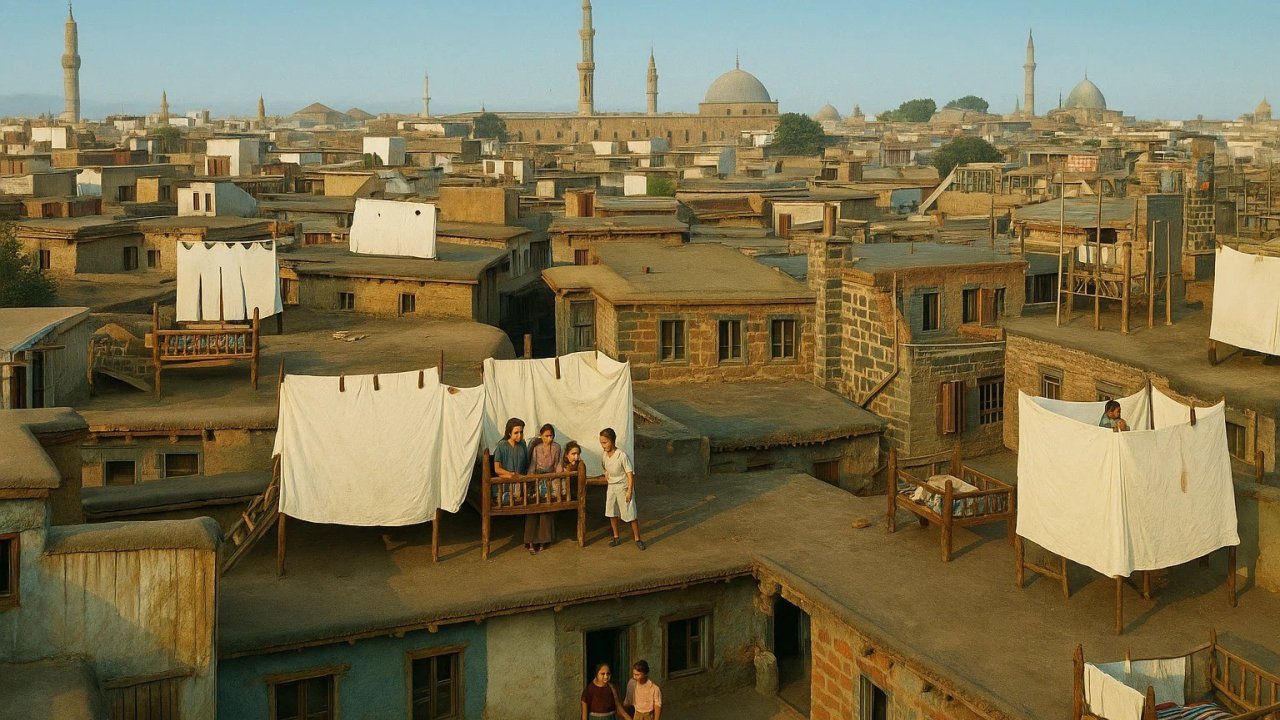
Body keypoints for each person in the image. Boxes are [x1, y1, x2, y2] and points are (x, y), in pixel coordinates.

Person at [492, 418, 534, 552]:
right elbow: (497, 469)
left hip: (520, 482)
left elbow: (526, 465)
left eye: (521, 432)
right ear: (509, 433)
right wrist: (511, 475)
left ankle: (531, 540)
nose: (519, 436)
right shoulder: (502, 445)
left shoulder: (522, 445)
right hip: (506, 483)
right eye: (516, 433)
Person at [600, 428, 645, 550]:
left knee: (630, 513)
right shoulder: (604, 455)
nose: (603, 446)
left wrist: (629, 490)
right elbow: (604, 466)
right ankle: (616, 537)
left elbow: (630, 474)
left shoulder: (622, 455)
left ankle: (637, 539)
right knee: (612, 512)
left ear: (612, 441)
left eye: (605, 443)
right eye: (601, 443)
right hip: (612, 487)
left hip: (623, 486)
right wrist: (606, 473)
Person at [524, 423, 561, 553]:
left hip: (550, 479)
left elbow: (557, 465)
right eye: (546, 436)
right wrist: (529, 482)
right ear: (541, 436)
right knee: (534, 508)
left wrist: (558, 480)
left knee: (547, 509)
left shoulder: (557, 447)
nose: (549, 438)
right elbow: (533, 465)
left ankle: (544, 540)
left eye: (551, 436)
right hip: (537, 479)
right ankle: (530, 541)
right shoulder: (537, 448)